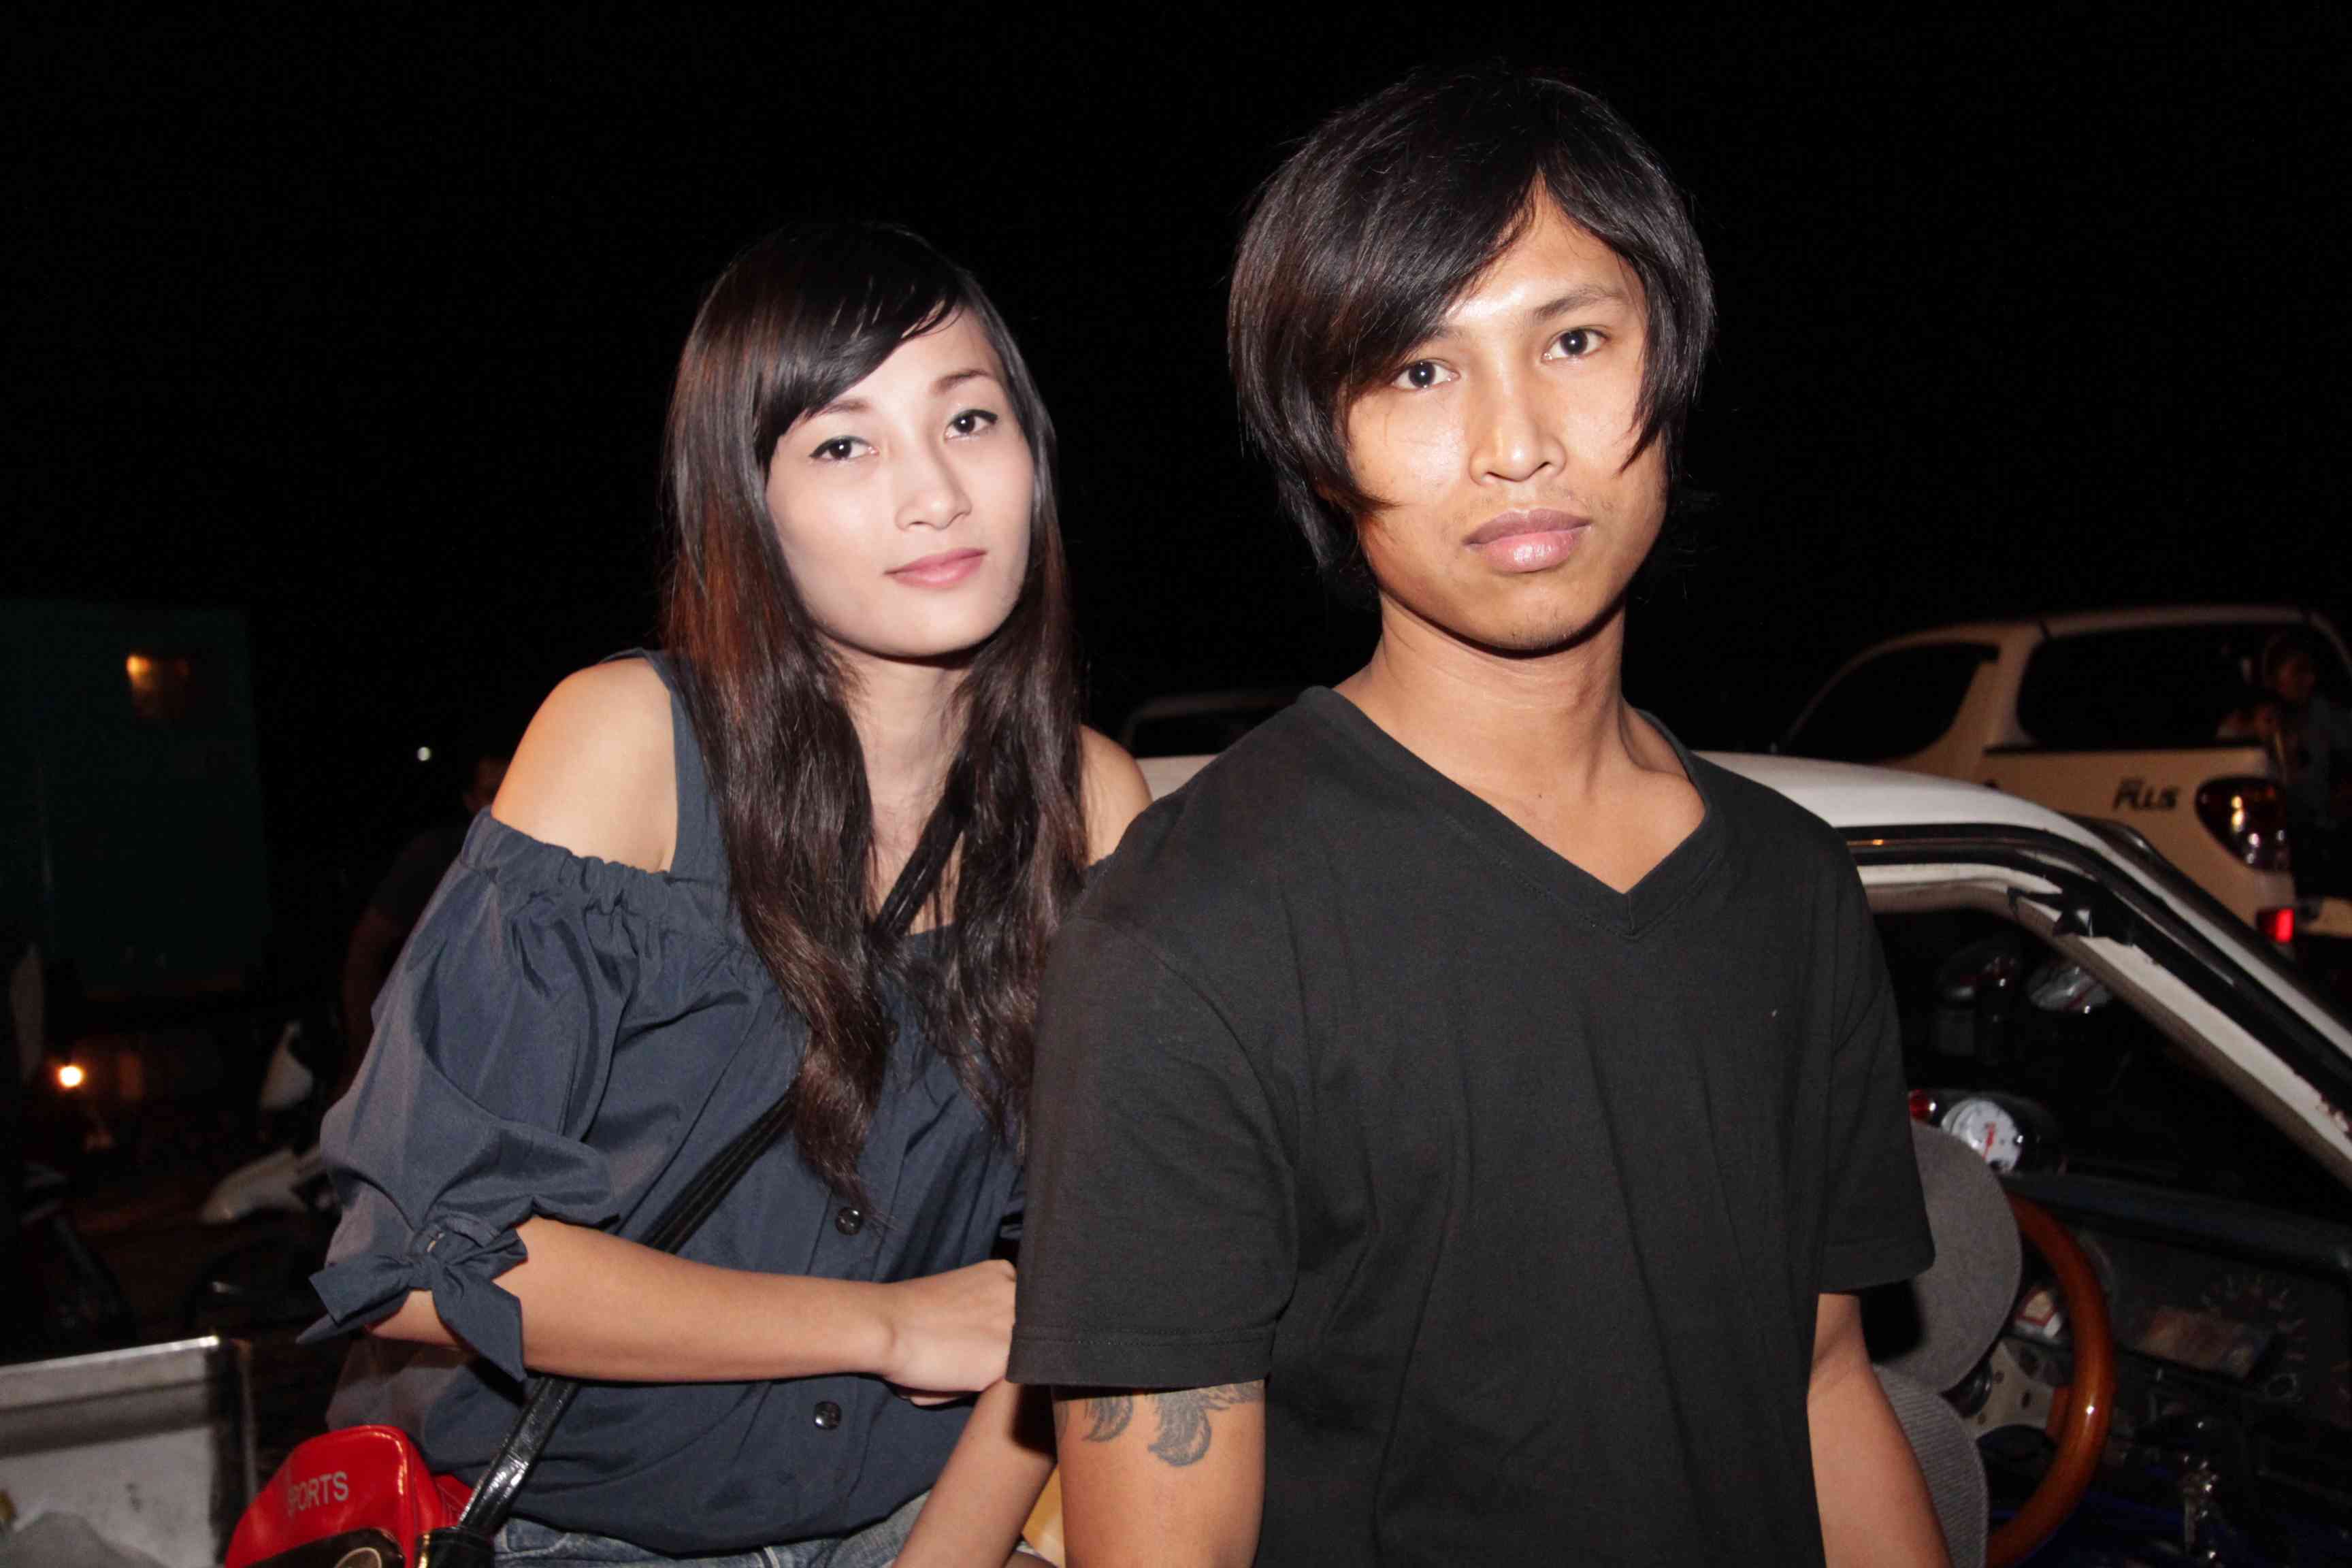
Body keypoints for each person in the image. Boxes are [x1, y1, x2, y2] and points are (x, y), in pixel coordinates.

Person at [1009, 68, 1946, 1565]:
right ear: (1321, 443)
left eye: (1574, 340)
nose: (1517, 442)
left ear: (1671, 363)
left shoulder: (1793, 885)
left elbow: (1824, 1384)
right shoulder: (1189, 930)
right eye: (1418, 370)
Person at [306, 223, 1150, 1567]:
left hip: (919, 1521)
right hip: (591, 1530)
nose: (933, 494)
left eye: (968, 419)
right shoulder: (632, 744)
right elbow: (421, 1258)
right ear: (745, 501)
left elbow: (1080, 1270)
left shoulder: (1090, 801)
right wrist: (881, 1325)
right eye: (843, 445)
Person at [339, 748, 510, 1088]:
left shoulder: (557, 864)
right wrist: (367, 1057)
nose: (504, 804)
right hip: (430, 1063)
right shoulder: (434, 857)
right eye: (492, 794)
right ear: (470, 801)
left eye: (512, 789)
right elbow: (364, 955)